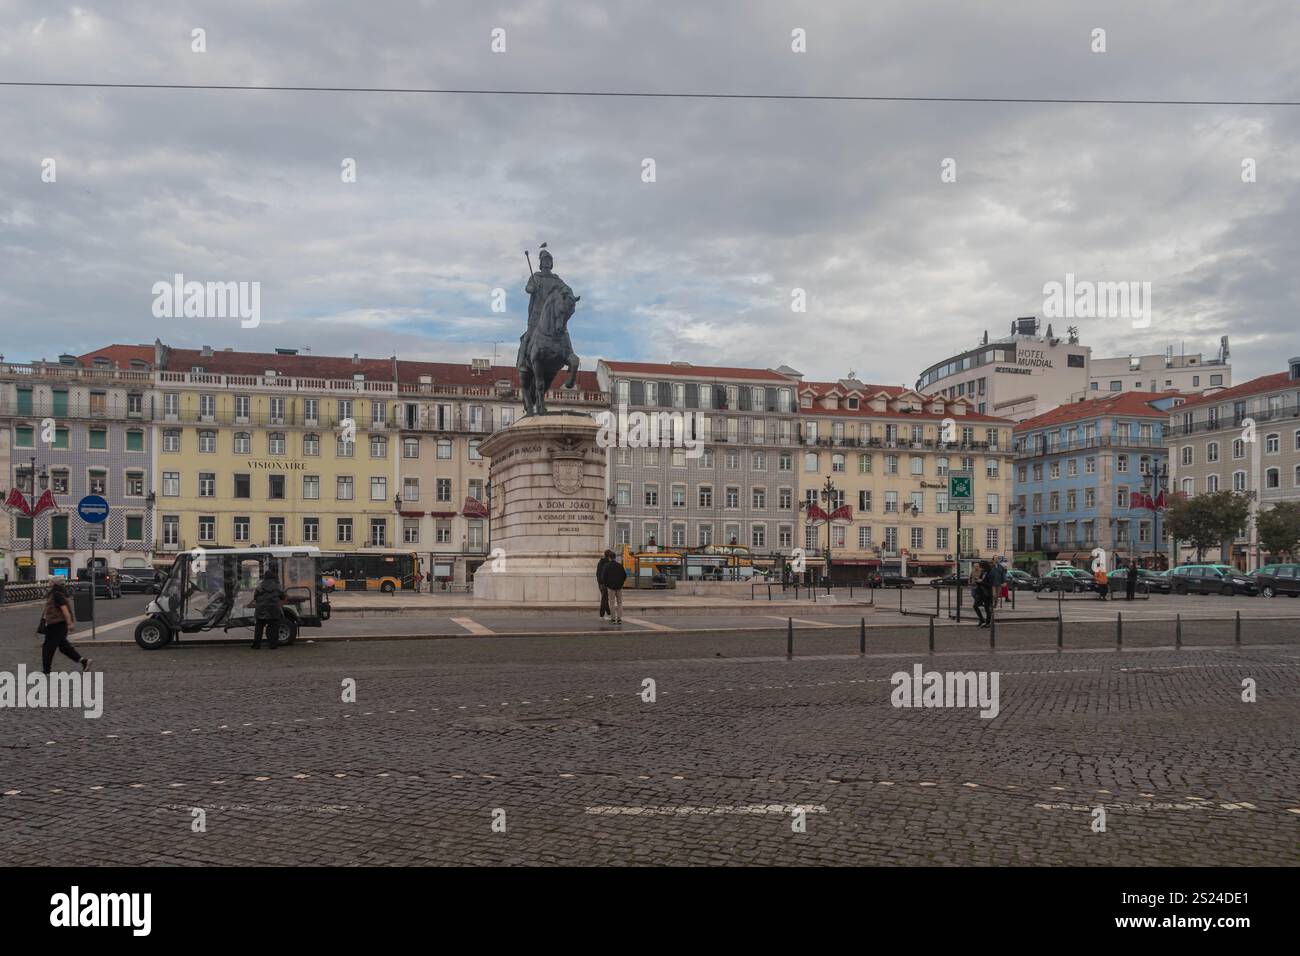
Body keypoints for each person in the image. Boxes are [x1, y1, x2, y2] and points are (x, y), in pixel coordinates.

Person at [40, 580, 90, 675]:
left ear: (54, 584)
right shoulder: (57, 594)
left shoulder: (56, 595)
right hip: (56, 624)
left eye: (51, 581)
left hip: (57, 624)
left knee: (48, 647)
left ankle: (46, 670)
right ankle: (84, 661)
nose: (49, 582)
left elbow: (64, 609)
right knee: (63, 647)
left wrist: (69, 623)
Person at [250, 567, 287, 649]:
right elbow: (283, 596)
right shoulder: (277, 586)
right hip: (273, 609)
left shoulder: (259, 586)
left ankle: (256, 645)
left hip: (261, 609)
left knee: (259, 627)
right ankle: (273, 644)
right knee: (274, 627)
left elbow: (255, 597)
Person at [602, 553, 627, 625]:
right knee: (620, 603)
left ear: (609, 558)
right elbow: (624, 576)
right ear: (615, 557)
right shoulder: (620, 566)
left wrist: (607, 584)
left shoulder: (606, 566)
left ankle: (613, 619)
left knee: (612, 603)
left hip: (610, 587)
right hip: (619, 587)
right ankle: (619, 619)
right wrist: (621, 584)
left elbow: (603, 577)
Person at [596, 550, 612, 620]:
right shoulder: (608, 563)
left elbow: (597, 573)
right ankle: (601, 615)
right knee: (604, 599)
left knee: (605, 598)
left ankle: (609, 613)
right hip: (605, 583)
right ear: (609, 556)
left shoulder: (600, 562)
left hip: (600, 583)